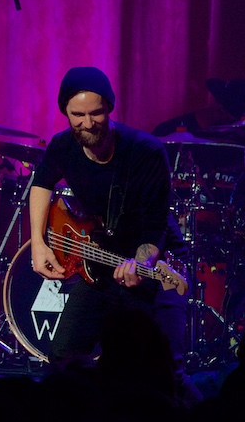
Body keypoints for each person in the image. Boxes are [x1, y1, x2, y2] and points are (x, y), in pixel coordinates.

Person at [28, 67, 201, 403]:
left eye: (97, 113)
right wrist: (38, 243)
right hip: (100, 266)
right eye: (78, 115)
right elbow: (41, 183)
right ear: (65, 111)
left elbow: (154, 226)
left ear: (110, 109)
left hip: (156, 268)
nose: (88, 123)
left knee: (168, 374)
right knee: (62, 361)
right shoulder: (62, 146)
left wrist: (142, 263)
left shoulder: (145, 151)